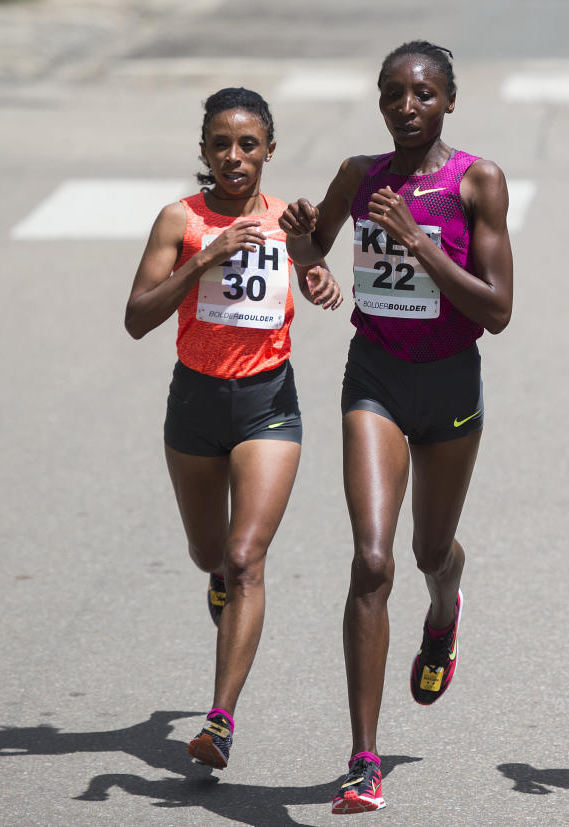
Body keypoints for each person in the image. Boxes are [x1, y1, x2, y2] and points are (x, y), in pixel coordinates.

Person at [279, 41, 513, 814]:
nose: (406, 108)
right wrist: (306, 247)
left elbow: (497, 309)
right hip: (374, 376)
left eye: (423, 94)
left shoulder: (476, 182)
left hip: (450, 382)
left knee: (427, 550)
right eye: (393, 95)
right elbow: (313, 249)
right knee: (373, 561)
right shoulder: (361, 175)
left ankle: (445, 608)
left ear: (449, 100)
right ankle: (362, 757)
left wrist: (418, 241)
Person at [124, 87, 342, 771]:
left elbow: (311, 272)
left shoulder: (289, 217)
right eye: (220, 143)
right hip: (194, 403)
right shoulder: (179, 220)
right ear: (203, 150)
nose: (234, 156)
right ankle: (216, 576)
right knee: (209, 553)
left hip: (268, 404)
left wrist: (320, 281)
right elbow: (136, 316)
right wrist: (203, 258)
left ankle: (219, 718)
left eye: (248, 144)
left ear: (270, 149)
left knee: (248, 557)